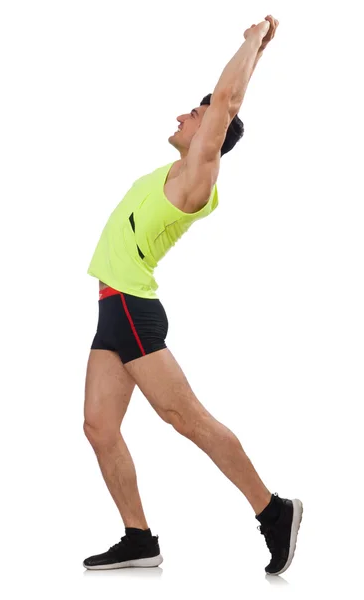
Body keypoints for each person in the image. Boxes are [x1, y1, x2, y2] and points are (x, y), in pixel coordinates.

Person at [83, 15, 303, 576]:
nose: (184, 113)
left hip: (132, 308)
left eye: (195, 112)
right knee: (99, 427)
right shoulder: (174, 169)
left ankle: (272, 511)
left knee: (187, 418)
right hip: (113, 310)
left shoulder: (196, 176)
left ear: (211, 135)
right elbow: (225, 104)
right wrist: (259, 52)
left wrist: (250, 42)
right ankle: (138, 538)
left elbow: (226, 103)